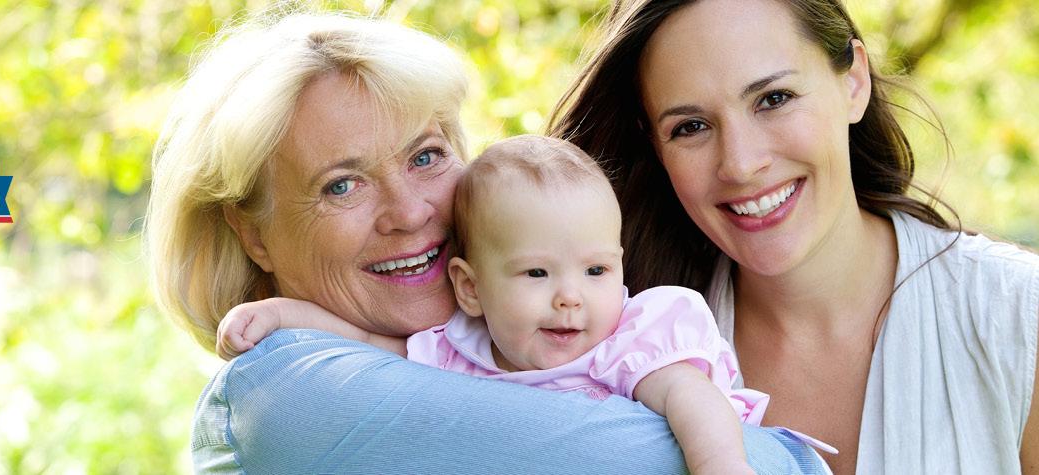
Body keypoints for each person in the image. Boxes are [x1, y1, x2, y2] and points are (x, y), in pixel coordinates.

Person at [147, 11, 829, 474]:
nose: (411, 212)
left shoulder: (469, 342)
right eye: (341, 186)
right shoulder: (292, 392)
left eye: (425, 156)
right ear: (251, 234)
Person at [547, 0, 1039, 473]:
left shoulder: (1017, 316)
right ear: (655, 146)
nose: (740, 164)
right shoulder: (601, 346)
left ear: (853, 81)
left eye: (773, 99)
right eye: (691, 126)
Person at [216, 135, 838, 474]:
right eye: (536, 272)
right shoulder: (457, 348)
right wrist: (282, 317)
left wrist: (720, 467)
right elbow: (371, 346)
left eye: (596, 270)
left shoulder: (630, 336)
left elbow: (692, 399)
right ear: (469, 288)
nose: (570, 296)